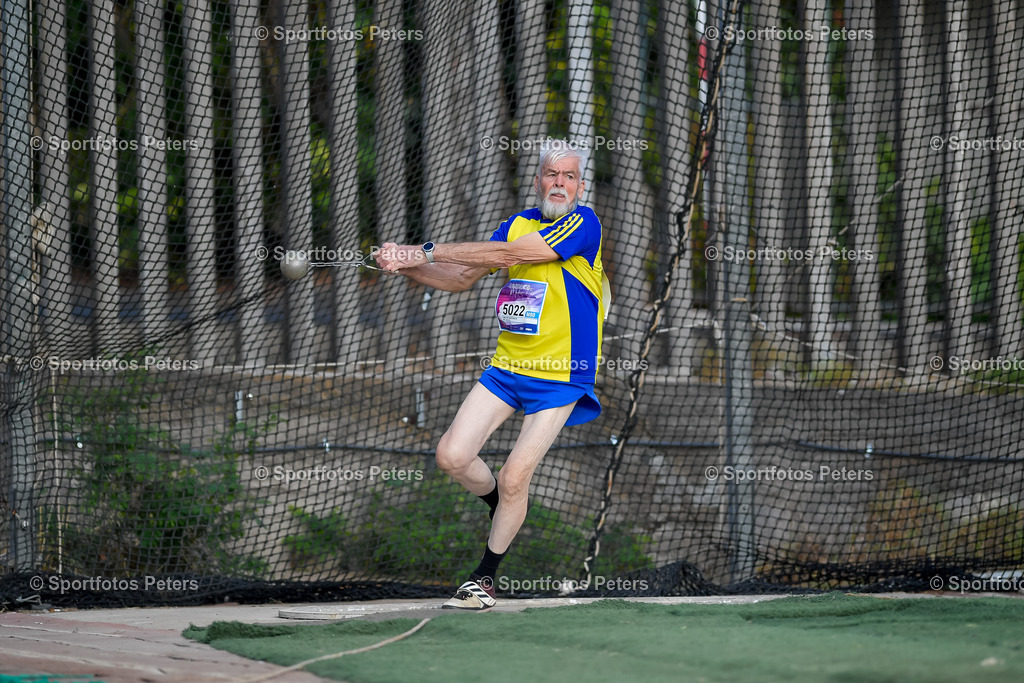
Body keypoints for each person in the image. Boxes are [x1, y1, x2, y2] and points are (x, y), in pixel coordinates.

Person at [374, 141, 605, 610]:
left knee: (516, 474)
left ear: (581, 185)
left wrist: (423, 249)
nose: (559, 183)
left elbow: (506, 256)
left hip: (561, 374)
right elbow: (459, 278)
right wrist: (406, 266)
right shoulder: (517, 222)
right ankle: (505, 505)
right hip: (506, 368)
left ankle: (483, 580)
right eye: (551, 174)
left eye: (569, 176)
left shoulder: (583, 224)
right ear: (538, 179)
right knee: (451, 456)